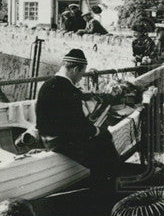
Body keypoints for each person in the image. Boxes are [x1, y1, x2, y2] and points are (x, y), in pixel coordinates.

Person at [35, 47, 121, 196]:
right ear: (75, 69)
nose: (81, 78)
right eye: (81, 74)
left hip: (47, 137)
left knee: (101, 143)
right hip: (61, 141)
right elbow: (78, 126)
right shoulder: (70, 90)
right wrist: (97, 130)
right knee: (106, 149)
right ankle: (103, 196)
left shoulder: (47, 85)